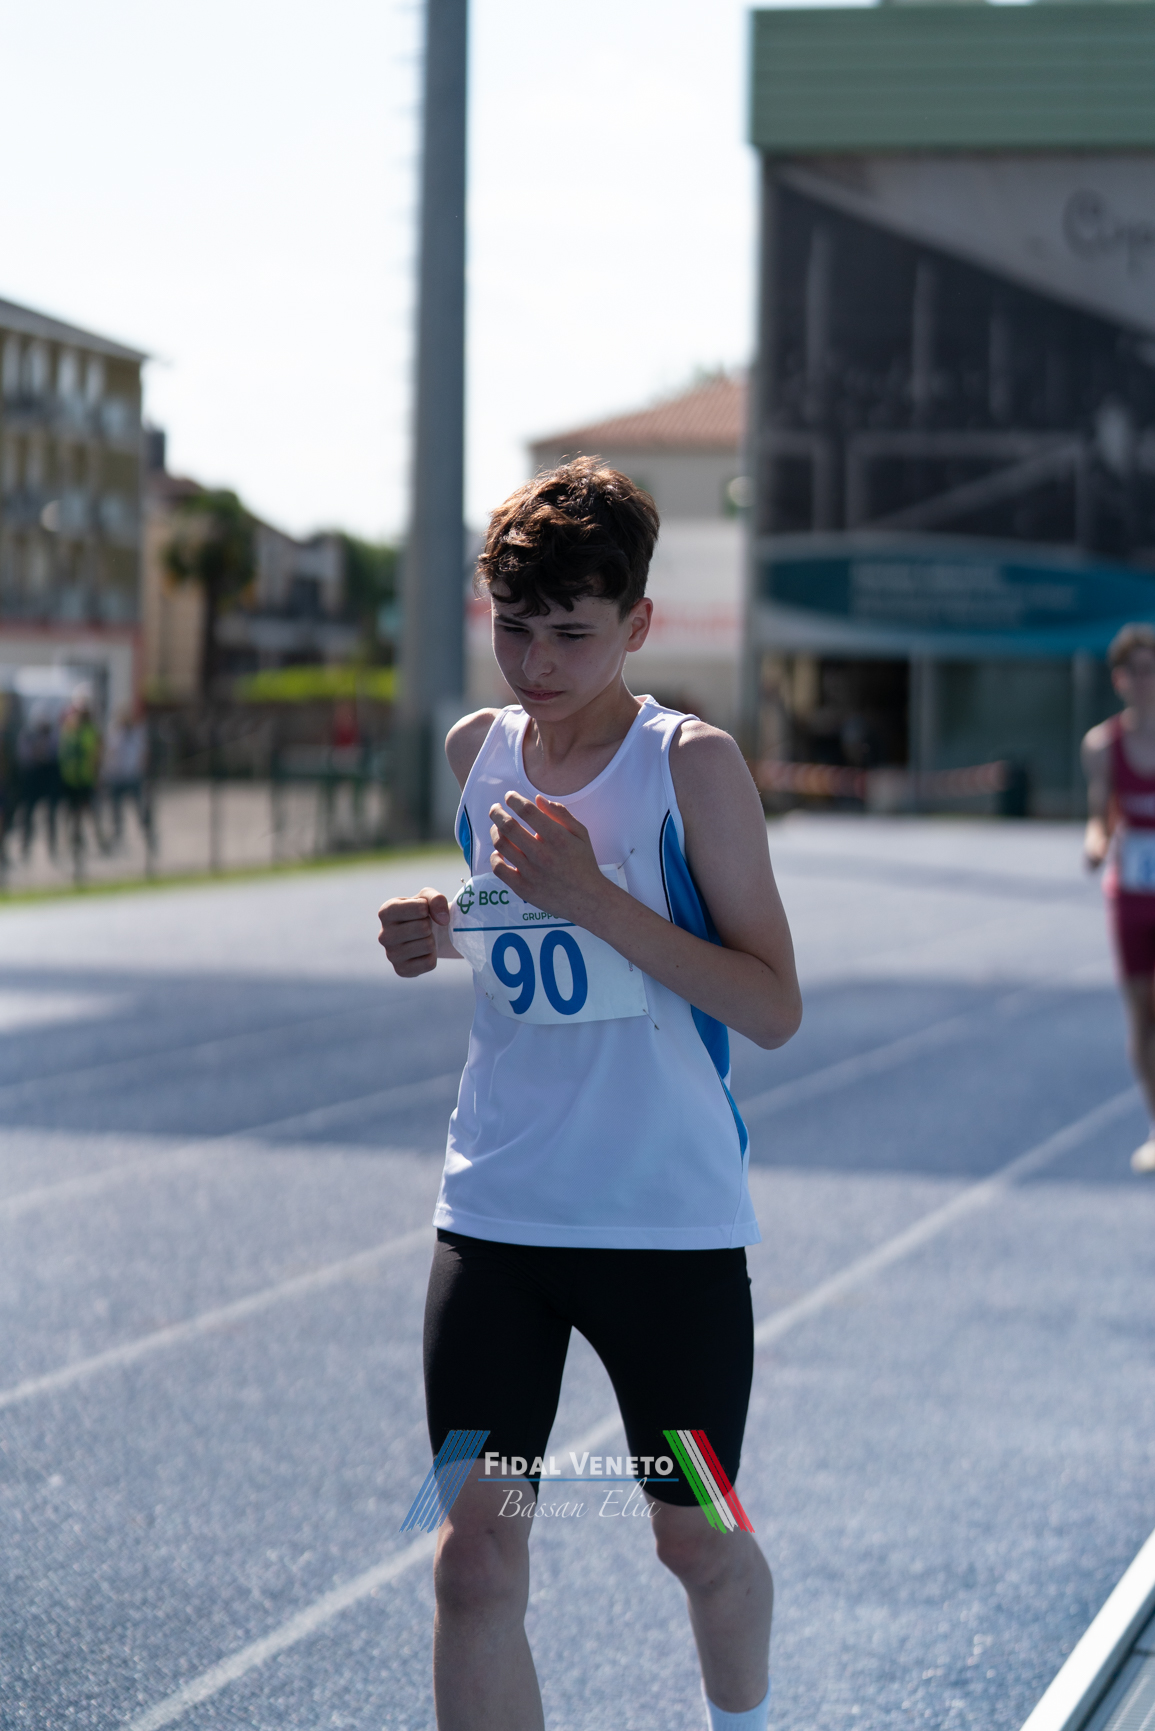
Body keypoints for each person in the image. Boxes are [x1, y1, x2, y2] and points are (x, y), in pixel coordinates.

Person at [378, 458, 802, 1731]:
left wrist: (591, 898)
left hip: (665, 1236)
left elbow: (771, 1006)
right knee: (475, 1562)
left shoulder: (692, 766)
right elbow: (519, 940)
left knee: (696, 1536)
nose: (537, 661)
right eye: (515, 628)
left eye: (572, 632)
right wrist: (441, 930)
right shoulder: (475, 752)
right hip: (497, 1222)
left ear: (638, 624)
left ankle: (743, 1722)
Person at [1083, 622, 1155, 1173]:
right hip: (1130, 894)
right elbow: (1098, 817)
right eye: (1138, 671)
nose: (1147, 680)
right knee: (1141, 1016)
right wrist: (1095, 844)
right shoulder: (1102, 746)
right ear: (1120, 680)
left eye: (1154, 670)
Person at [57, 689, 103, 863]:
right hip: (71, 779)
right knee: (70, 813)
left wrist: (96, 776)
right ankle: (70, 842)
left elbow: (96, 756)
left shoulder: (91, 730)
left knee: (90, 811)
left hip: (86, 778)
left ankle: (97, 841)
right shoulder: (68, 728)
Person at [101, 702, 153, 851]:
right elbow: (108, 754)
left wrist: (143, 772)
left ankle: (147, 834)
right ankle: (118, 837)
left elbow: (143, 755)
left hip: (133, 777)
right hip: (117, 777)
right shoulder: (114, 733)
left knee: (139, 808)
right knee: (116, 811)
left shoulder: (137, 733)